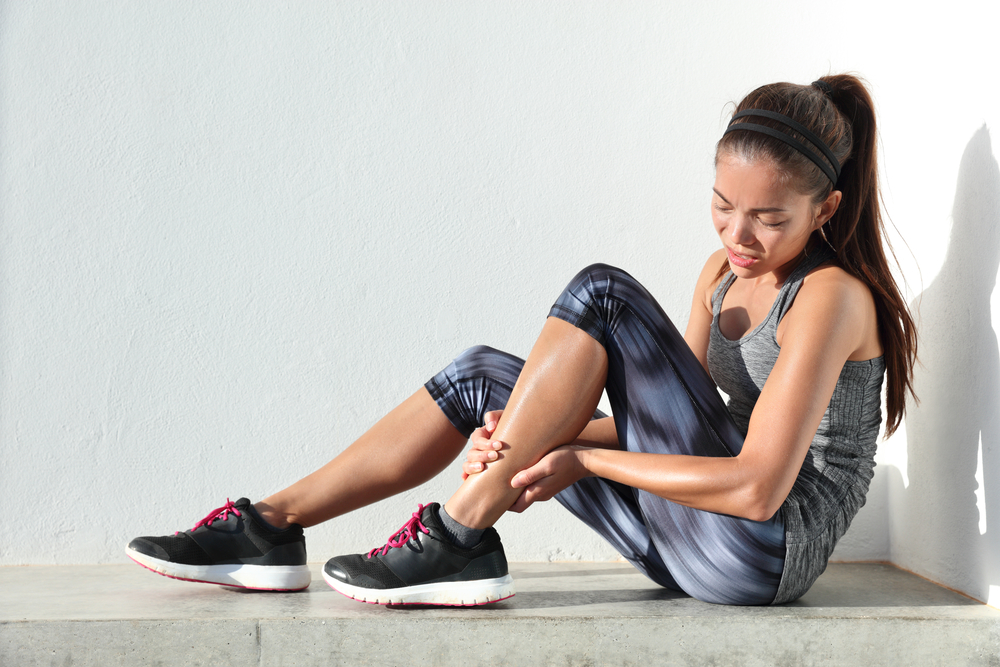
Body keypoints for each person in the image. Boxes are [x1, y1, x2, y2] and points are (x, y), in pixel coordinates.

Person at [126, 74, 917, 606]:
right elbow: (668, 422)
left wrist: (578, 458)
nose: (737, 235)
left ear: (825, 209)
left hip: (759, 553)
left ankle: (460, 530)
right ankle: (270, 526)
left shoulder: (831, 297)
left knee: (602, 294)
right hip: (686, 539)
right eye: (722, 205)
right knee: (481, 378)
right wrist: (536, 435)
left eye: (768, 218)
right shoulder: (720, 274)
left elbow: (755, 487)